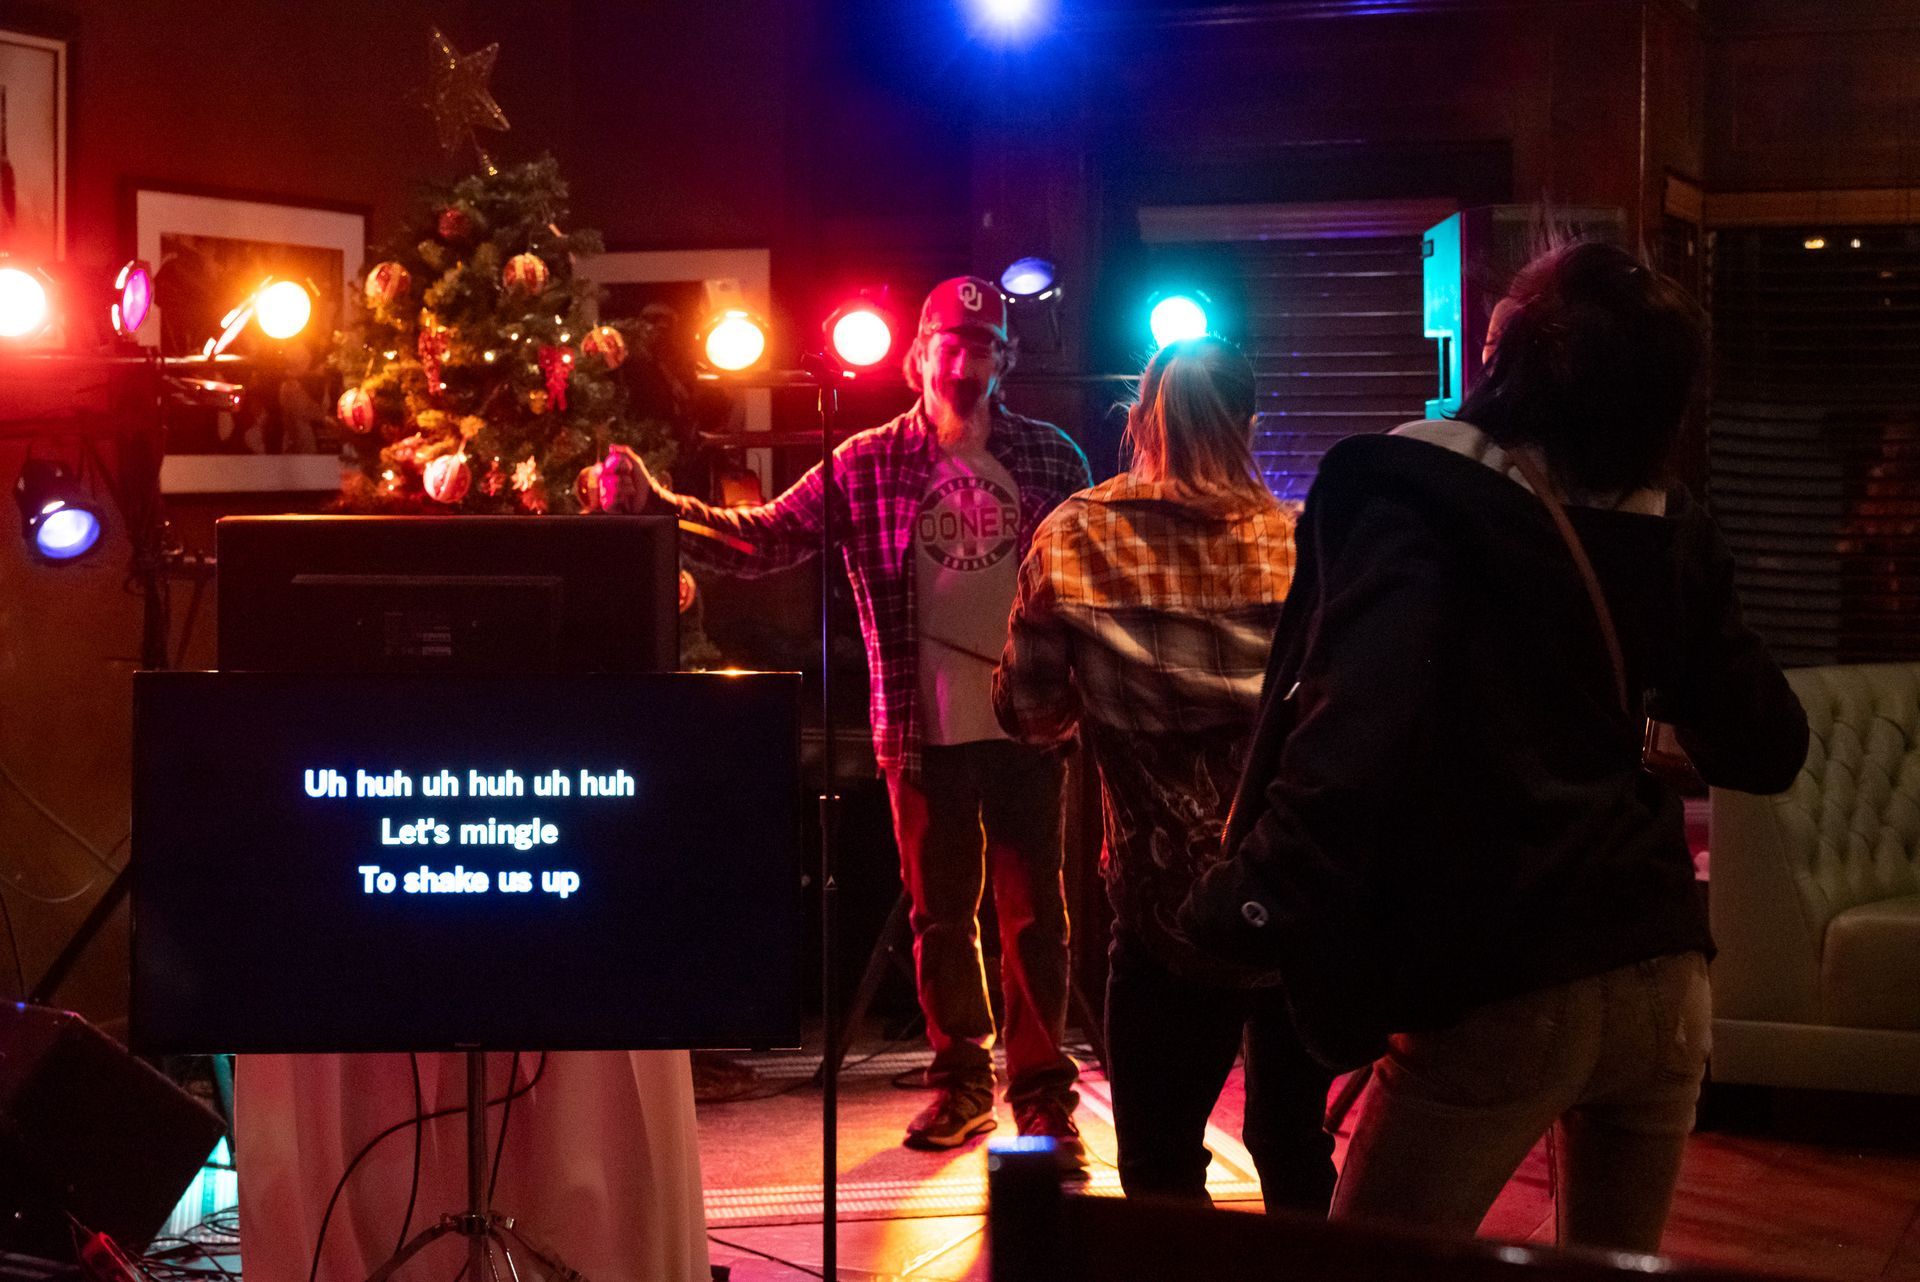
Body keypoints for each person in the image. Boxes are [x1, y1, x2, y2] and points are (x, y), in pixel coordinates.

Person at [1180, 240, 1809, 1251]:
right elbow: (1767, 744)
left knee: (1372, 1264)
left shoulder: (1413, 489)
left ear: (1516, 349)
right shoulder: (1670, 524)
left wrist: (1254, 894)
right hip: (1662, 973)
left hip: (1503, 973)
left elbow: (1354, 729)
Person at [592, 276, 1092, 1160]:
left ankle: (1044, 1098)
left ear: (1007, 360)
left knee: (1037, 923)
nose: (965, 362)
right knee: (943, 919)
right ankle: (962, 1085)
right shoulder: (868, 462)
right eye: (951, 345)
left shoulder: (1052, 458)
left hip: (1028, 725)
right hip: (922, 727)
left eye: (983, 348)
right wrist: (659, 508)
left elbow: (1086, 585)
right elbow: (764, 539)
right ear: (917, 358)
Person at [993, 336, 1337, 1209]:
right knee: (1295, 1148)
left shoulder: (1074, 536)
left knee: (1158, 1168)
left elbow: (1029, 714)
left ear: (1142, 420)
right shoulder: (1310, 544)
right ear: (1250, 427)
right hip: (1297, 903)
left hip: (1164, 917)